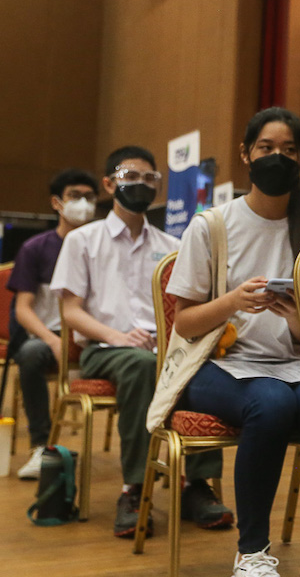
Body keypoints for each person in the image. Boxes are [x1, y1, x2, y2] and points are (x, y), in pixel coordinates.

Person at [168, 107, 300, 577]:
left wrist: (296, 315)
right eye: (267, 149)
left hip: (295, 364)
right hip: (219, 366)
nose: (277, 159)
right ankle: (250, 558)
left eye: (289, 151)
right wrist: (233, 300)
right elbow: (183, 324)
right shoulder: (213, 225)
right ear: (246, 154)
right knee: (271, 405)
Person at [49, 146, 230, 537]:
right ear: (110, 183)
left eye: (151, 179)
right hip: (104, 349)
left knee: (204, 369)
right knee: (140, 366)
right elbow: (71, 312)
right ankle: (134, 487)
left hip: (162, 349)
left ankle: (194, 484)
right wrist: (117, 336)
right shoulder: (83, 241)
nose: (142, 185)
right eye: (132, 177)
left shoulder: (171, 245)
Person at [9, 169, 98, 478]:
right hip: (47, 334)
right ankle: (40, 447)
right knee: (31, 355)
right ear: (56, 203)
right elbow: (23, 310)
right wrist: (52, 340)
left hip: (92, 335)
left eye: (89, 197)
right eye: (75, 196)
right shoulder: (34, 248)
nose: (83, 203)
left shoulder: (100, 246)